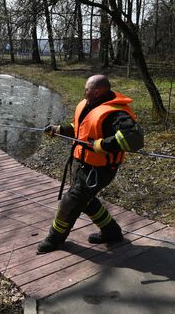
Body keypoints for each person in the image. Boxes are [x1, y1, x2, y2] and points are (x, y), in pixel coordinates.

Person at [38, 74, 144, 254]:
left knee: (70, 202)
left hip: (100, 169)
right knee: (85, 200)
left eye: (86, 89)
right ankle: (111, 232)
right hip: (82, 163)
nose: (83, 91)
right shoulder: (89, 104)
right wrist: (60, 130)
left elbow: (134, 139)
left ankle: (55, 238)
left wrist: (103, 145)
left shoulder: (117, 113)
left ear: (96, 91)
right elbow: (82, 128)